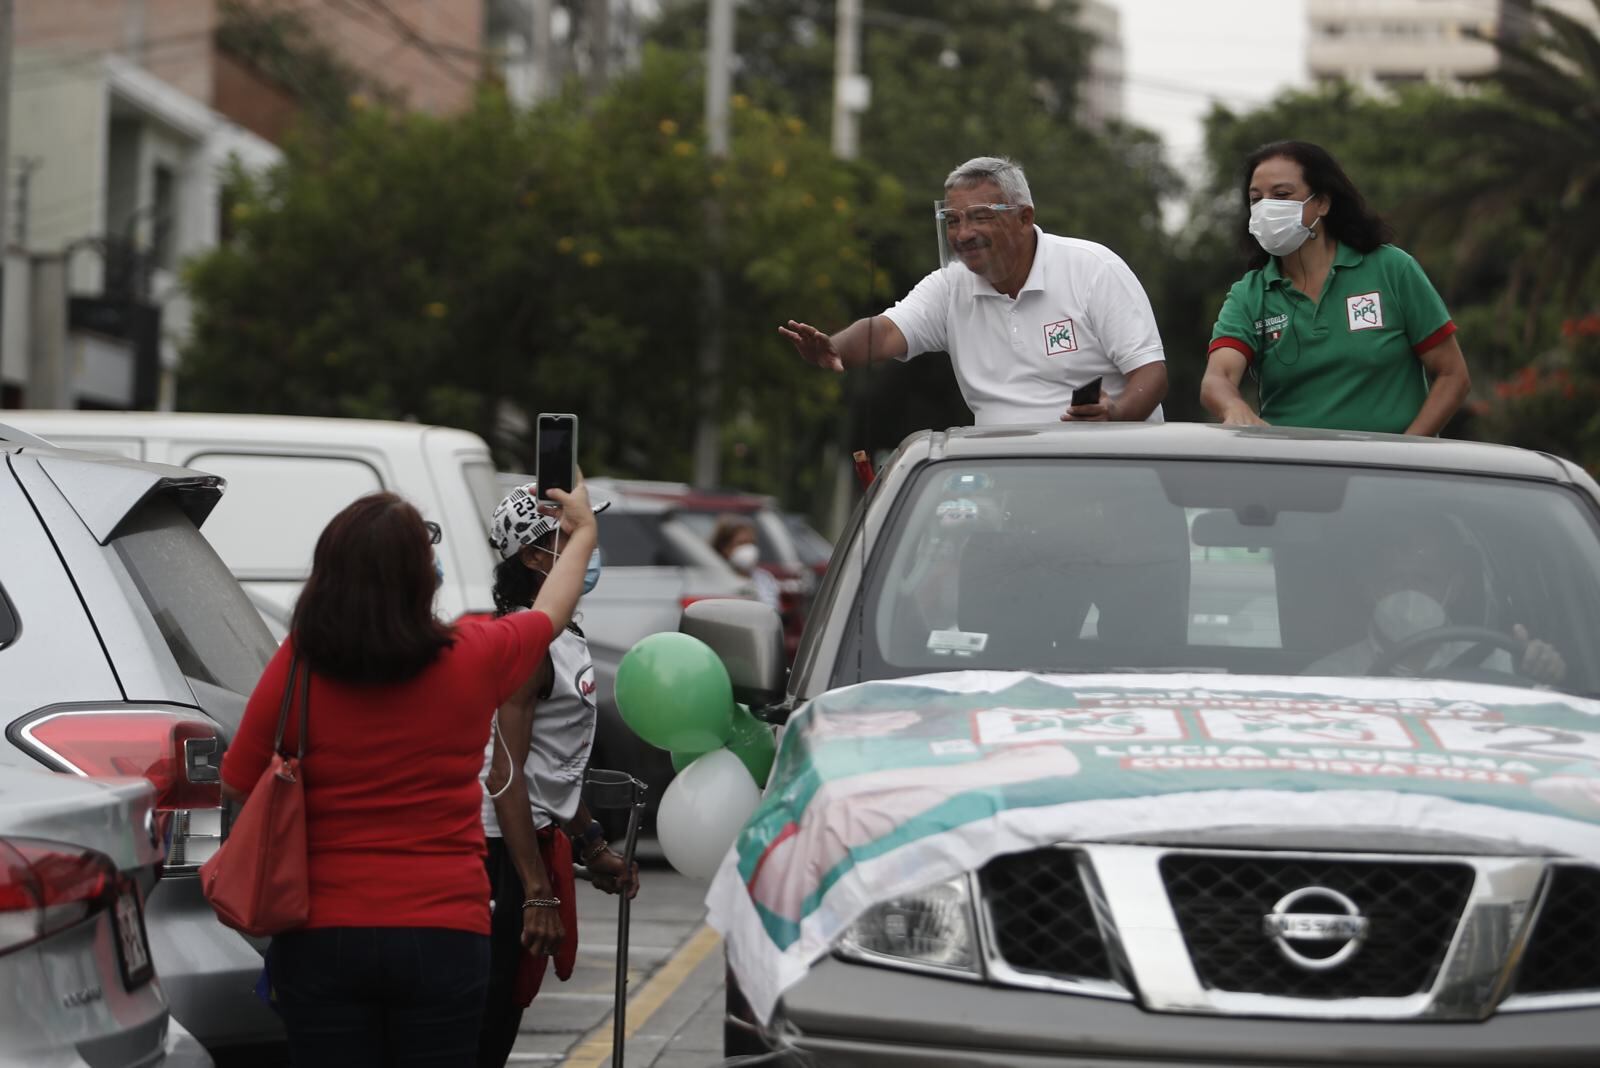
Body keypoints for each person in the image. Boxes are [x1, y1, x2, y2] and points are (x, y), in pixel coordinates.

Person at [220, 485, 596, 1067]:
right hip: (444, 931)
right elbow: (551, 613)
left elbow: (238, 780)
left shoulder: (299, 663)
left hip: (321, 933)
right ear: (426, 578)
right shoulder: (472, 654)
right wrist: (582, 533)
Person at [781, 155, 1168, 425]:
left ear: (1024, 217)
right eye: (951, 220)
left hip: (1108, 474)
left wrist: (1115, 414)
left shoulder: (1091, 269)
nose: (963, 234)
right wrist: (836, 347)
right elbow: (884, 332)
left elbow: (1151, 374)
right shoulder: (951, 286)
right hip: (1003, 486)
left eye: (979, 217)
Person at [476, 483, 639, 1068]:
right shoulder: (526, 643)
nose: (587, 549)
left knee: (504, 1016)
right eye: (569, 536)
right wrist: (534, 893)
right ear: (533, 557)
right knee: (486, 1023)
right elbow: (505, 775)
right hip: (497, 855)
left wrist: (592, 844)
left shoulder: (562, 632)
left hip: (529, 846)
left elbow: (554, 769)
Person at [1201, 140, 1471, 434]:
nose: (1267, 207)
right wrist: (1233, 406)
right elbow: (1218, 378)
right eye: (1256, 199)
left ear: (1323, 203)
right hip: (1296, 470)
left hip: (1394, 470)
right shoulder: (1250, 294)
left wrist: (1407, 452)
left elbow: (1452, 375)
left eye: (1281, 194)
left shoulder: (1392, 269)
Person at [1307, 516, 1565, 684]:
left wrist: (1547, 672)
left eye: (1424, 580)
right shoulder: (1330, 677)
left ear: (1454, 588)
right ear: (1368, 588)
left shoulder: (1503, 663)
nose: (1409, 592)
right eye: (1394, 581)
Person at [711, 514, 782, 611]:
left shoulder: (765, 579)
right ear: (725, 548)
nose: (748, 548)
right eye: (742, 543)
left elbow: (772, 612)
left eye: (751, 542)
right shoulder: (714, 578)